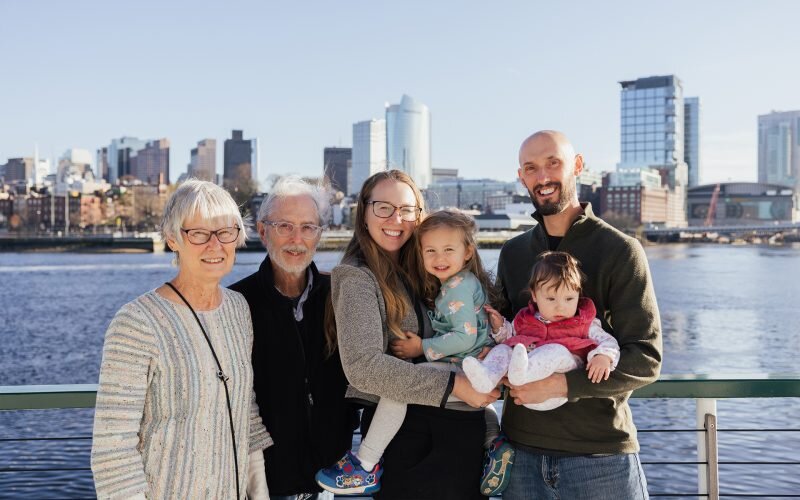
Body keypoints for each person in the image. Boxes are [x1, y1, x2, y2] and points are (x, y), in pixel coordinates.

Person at [495, 130, 662, 499]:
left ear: (578, 165)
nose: (543, 177)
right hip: (520, 455)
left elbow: (646, 358)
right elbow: (502, 337)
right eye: (531, 168)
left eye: (553, 163)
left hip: (600, 457)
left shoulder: (621, 250)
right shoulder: (513, 253)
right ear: (521, 177)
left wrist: (563, 385)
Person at [315, 170, 500, 499]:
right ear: (364, 212)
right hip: (409, 439)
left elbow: (474, 320)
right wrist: (453, 384)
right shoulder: (357, 276)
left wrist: (493, 344)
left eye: (406, 209)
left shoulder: (433, 264)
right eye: (383, 207)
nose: (396, 219)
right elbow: (363, 366)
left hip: (464, 432)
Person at [91, 179, 272, 499]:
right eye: (199, 233)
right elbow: (113, 453)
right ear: (173, 239)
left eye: (225, 232)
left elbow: (246, 415)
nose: (215, 245)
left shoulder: (238, 309)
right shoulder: (137, 322)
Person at [230, 176, 357, 500]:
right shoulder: (235, 304)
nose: (296, 239)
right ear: (263, 231)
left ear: (319, 234)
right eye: (284, 226)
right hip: (262, 484)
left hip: (331, 480)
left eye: (307, 227)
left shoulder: (340, 297)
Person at [465, 251, 621, 411]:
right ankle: (486, 378)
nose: (560, 307)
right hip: (522, 389)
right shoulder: (525, 319)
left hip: (556, 383)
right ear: (534, 295)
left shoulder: (584, 322)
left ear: (578, 295)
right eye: (551, 299)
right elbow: (510, 338)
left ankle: (522, 373)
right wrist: (499, 327)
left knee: (556, 350)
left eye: (569, 299)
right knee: (503, 349)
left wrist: (603, 356)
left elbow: (609, 342)